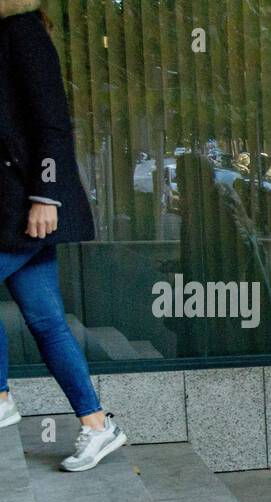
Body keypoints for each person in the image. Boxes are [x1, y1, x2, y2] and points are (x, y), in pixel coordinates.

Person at [0, 0, 126, 471]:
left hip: (27, 203)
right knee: (46, 319)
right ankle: (98, 425)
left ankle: (0, 396)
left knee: (46, 319)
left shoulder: (22, 31)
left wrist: (46, 195)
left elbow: (52, 122)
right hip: (8, 206)